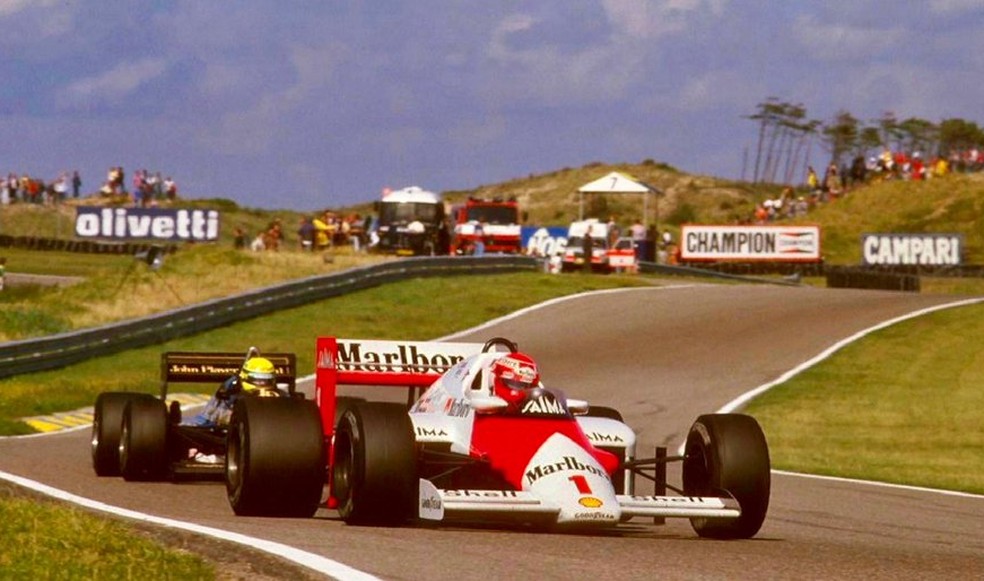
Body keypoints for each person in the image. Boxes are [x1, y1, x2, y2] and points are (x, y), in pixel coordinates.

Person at [183, 353, 280, 429]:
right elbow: (215, 417)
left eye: (266, 379)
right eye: (258, 379)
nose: (262, 383)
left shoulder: (279, 394)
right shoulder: (231, 391)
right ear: (245, 377)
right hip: (216, 424)